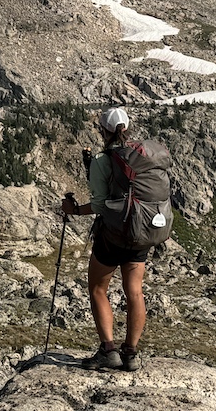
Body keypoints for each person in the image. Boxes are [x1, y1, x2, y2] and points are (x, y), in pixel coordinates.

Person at [61, 106, 148, 372]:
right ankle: (131, 353)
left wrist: (74, 210)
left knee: (98, 288)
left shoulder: (101, 159)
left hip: (112, 235)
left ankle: (108, 350)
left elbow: (99, 205)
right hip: (140, 232)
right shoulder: (141, 154)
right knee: (134, 291)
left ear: (103, 130)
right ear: (128, 127)